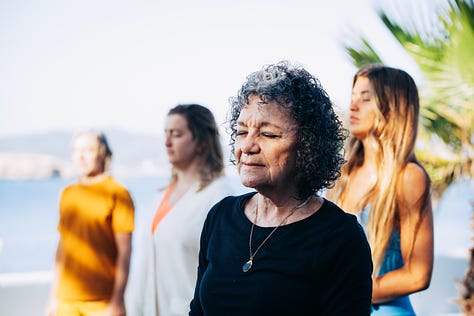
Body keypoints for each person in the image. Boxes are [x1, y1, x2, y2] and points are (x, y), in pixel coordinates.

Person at [189, 61, 373, 315]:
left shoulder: (339, 238)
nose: (248, 146)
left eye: (269, 135)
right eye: (241, 132)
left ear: (308, 146)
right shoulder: (220, 217)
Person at [326, 64, 434, 315]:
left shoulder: (408, 177)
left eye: (365, 99)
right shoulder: (342, 175)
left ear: (392, 107)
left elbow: (418, 275)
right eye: (353, 98)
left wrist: (342, 291)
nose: (352, 106)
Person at [128, 104, 240, 316]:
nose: (167, 142)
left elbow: (227, 275)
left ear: (201, 142)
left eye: (177, 134)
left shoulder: (220, 196)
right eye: (166, 134)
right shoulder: (160, 196)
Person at [46, 131, 135, 316]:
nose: (81, 156)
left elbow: (125, 252)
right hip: (66, 300)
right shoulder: (67, 194)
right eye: (76, 150)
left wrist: (117, 300)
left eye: (88, 150)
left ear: (103, 154)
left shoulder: (118, 194)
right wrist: (53, 299)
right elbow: (62, 248)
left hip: (102, 301)